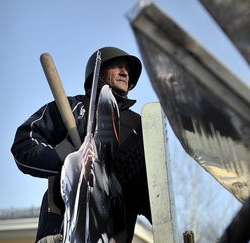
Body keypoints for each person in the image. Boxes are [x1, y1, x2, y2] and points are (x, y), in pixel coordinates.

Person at [11, 47, 151, 242]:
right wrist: (68, 161)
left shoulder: (140, 127)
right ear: (98, 72)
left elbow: (152, 193)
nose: (124, 72)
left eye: (127, 69)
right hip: (62, 231)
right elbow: (23, 145)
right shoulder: (73, 108)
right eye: (117, 66)